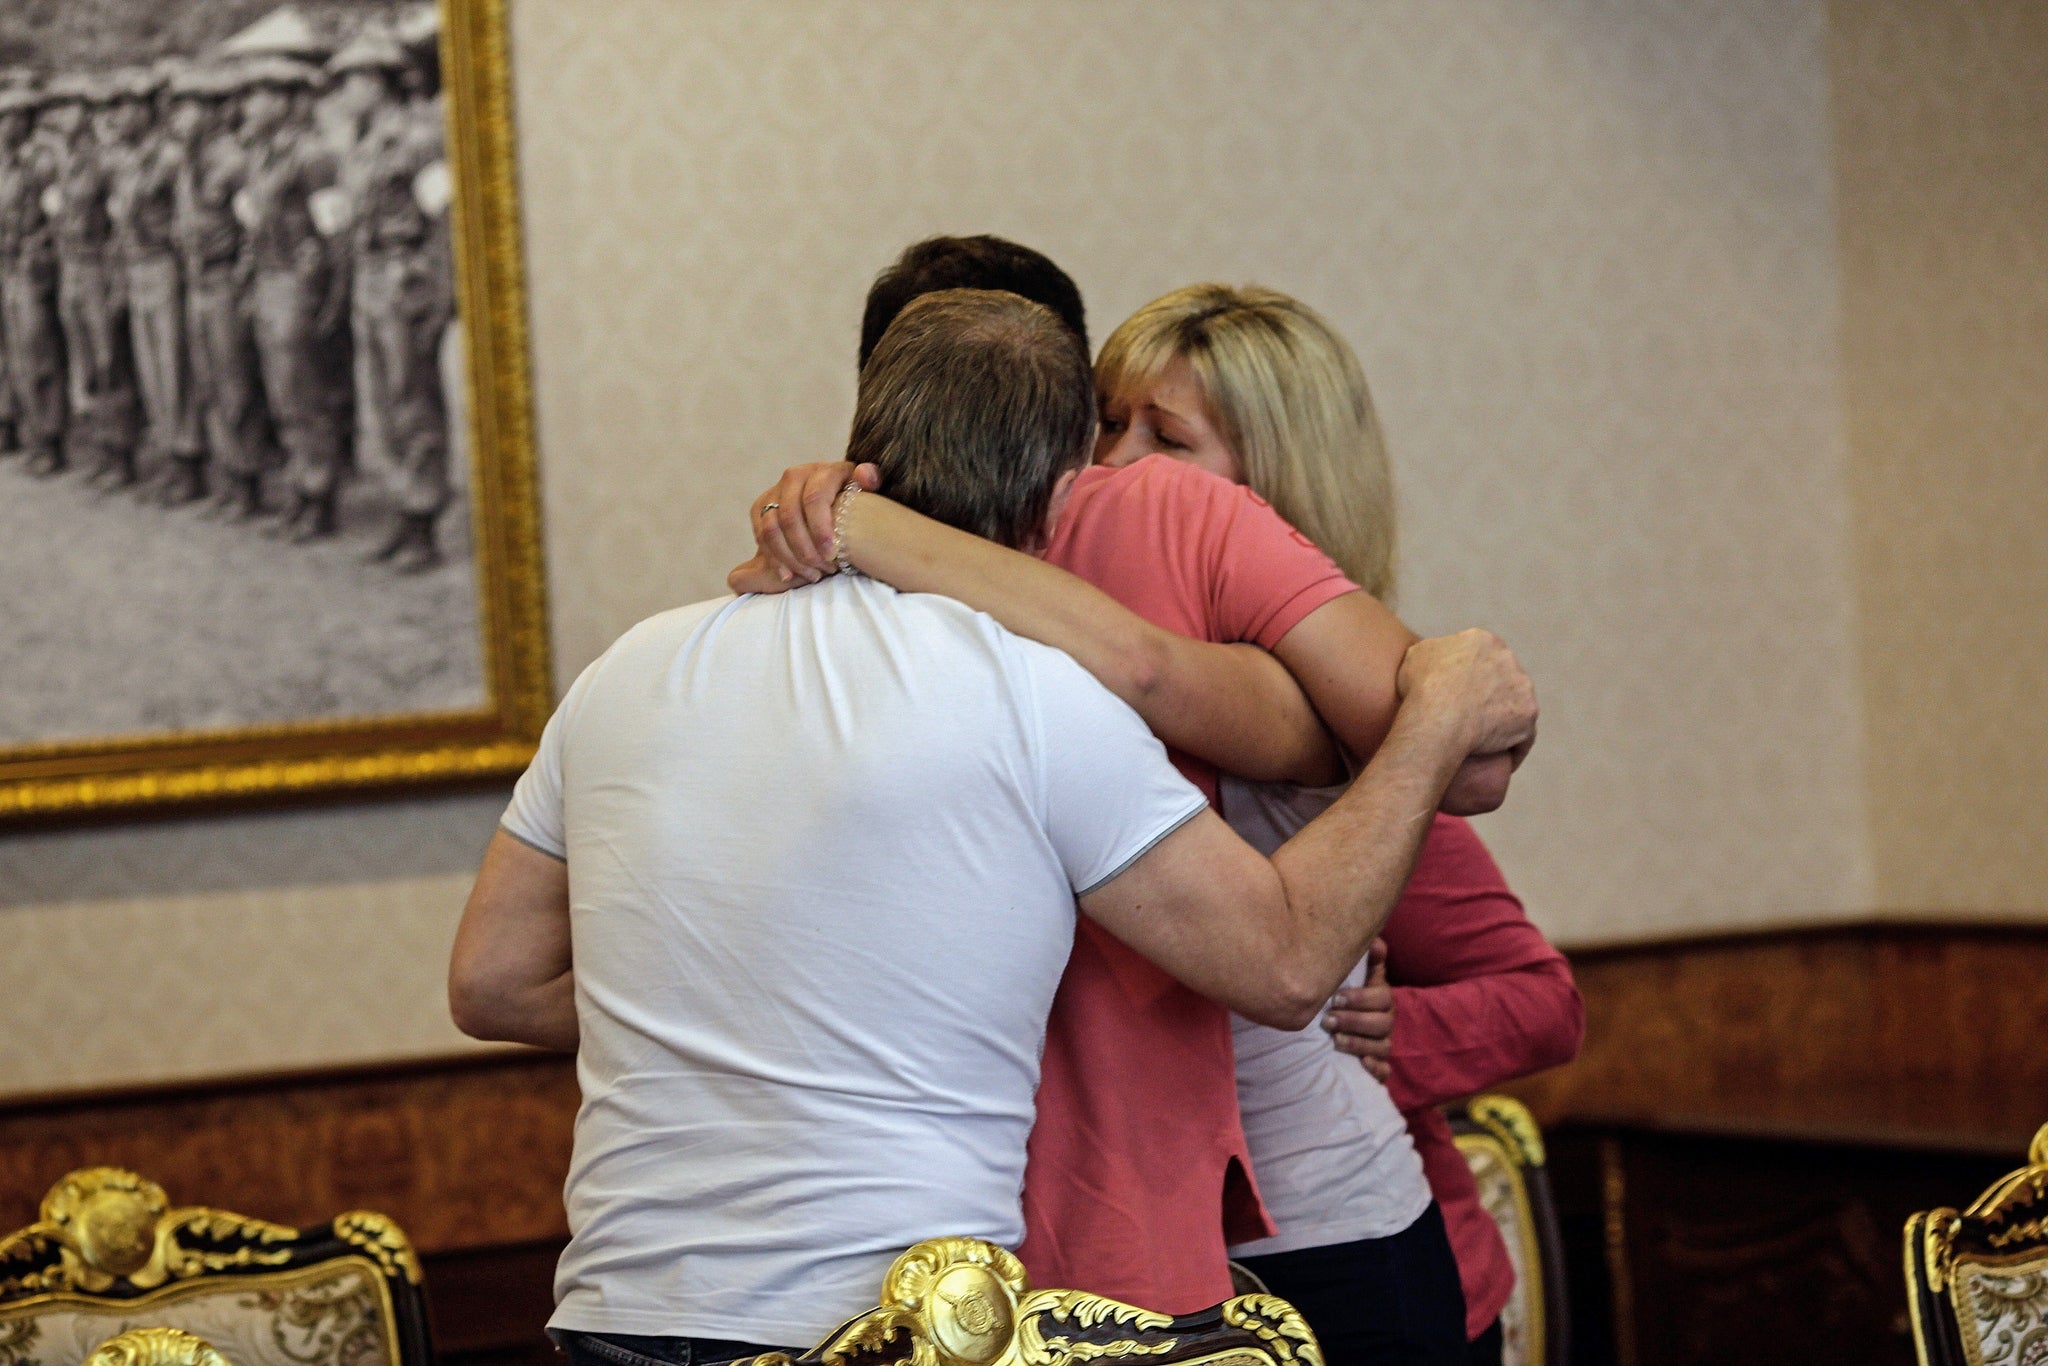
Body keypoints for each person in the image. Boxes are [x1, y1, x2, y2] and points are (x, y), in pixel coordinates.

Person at [451, 288, 1537, 1366]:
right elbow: (1286, 958)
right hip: (895, 1320)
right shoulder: (1036, 694)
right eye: (1114, 438)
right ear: (1063, 489)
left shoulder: (627, 669)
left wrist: (745, 1021)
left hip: (622, 1306)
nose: (1136, 471)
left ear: (859, 448)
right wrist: (1433, 717)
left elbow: (491, 983)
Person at [739, 253, 1564, 1364]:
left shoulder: (1202, 585)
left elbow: (1471, 786)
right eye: (1104, 428)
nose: (1119, 466)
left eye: (1163, 438)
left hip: (1323, 1223)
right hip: (1082, 1243)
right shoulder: (918, 611)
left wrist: (866, 523)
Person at [331, 28, 455, 572]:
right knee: (383, 402)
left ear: (379, 81)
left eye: (354, 79)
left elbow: (447, 220)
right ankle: (404, 510)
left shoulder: (417, 138)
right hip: (371, 280)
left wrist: (443, 295)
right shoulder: (360, 144)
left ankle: (423, 520)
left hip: (408, 281)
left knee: (413, 400)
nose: (346, 91)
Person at [238, 56, 351, 541]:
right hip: (268, 282)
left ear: (286, 101)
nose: (251, 104)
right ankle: (301, 488)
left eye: (262, 94)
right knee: (281, 396)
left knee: (305, 395)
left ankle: (320, 496)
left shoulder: (313, 155)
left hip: (297, 286)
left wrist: (328, 299)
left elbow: (335, 235)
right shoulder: (262, 155)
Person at [171, 63, 273, 520]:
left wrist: (242, 281)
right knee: (209, 383)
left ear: (212, 112)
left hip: (225, 283)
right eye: (178, 108)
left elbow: (256, 231)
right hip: (197, 284)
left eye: (190, 108)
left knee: (235, 386)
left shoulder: (234, 162)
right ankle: (228, 479)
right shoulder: (188, 162)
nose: (180, 117)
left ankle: (248, 483)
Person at [109, 65, 206, 504]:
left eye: (130, 107)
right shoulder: (123, 158)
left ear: (150, 111)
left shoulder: (169, 158)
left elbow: (184, 220)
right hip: (136, 267)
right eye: (119, 107)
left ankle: (188, 462)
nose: (121, 116)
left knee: (174, 367)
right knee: (150, 370)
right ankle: (169, 455)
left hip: (166, 267)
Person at [52, 72, 140, 487]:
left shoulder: (107, 161)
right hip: (73, 267)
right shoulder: (66, 161)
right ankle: (104, 448)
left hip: (98, 270)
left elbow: (121, 226)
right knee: (86, 364)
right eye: (60, 108)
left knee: (110, 363)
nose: (63, 115)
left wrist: (116, 281)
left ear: (88, 113)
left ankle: (122, 454)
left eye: (72, 107)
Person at [0, 82, 66, 475]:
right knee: (11, 356)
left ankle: (50, 438)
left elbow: (56, 221)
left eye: (14, 116)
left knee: (38, 354)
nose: (7, 124)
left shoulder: (41, 162)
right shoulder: (5, 162)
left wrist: (34, 249)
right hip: (6, 265)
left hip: (28, 267)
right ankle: (25, 430)